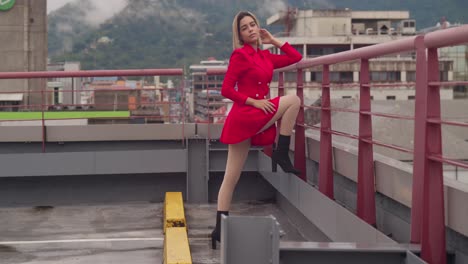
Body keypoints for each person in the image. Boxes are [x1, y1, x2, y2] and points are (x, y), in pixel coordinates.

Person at [210, 11, 303, 249]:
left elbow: (295, 57)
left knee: (231, 177)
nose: (251, 29)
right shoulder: (239, 55)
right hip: (247, 114)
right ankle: (282, 152)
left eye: (253, 25)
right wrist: (253, 102)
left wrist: (273, 41)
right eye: (245, 27)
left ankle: (218, 231)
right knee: (293, 100)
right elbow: (227, 90)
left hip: (257, 115)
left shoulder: (266, 56)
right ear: (239, 34)